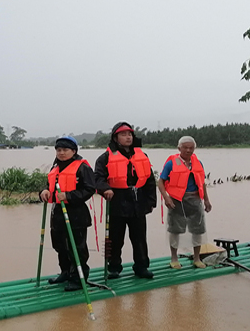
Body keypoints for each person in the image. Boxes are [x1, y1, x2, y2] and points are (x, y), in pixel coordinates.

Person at [94, 122, 157, 279]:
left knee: (140, 238)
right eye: (123, 134)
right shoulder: (105, 158)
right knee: (115, 239)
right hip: (117, 201)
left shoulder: (142, 156)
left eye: (130, 134)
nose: (128, 137)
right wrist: (105, 189)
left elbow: (150, 180)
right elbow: (97, 178)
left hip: (138, 201)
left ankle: (141, 266)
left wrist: (150, 201)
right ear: (116, 138)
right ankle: (114, 267)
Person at [40, 136, 97, 291]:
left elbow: (90, 189)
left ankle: (79, 279)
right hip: (57, 212)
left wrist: (69, 196)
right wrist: (44, 191)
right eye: (59, 150)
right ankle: (65, 272)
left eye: (65, 150)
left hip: (76, 213)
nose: (61, 153)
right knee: (60, 245)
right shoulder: (55, 167)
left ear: (73, 151)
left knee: (76, 248)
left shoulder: (82, 167)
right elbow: (49, 185)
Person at [156, 136, 212, 269]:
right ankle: (174, 258)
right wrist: (166, 197)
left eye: (191, 148)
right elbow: (161, 182)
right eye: (185, 147)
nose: (188, 150)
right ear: (179, 148)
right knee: (175, 229)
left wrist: (206, 200)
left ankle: (197, 258)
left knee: (197, 229)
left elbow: (202, 183)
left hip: (195, 200)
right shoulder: (171, 163)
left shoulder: (198, 163)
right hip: (177, 200)